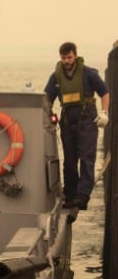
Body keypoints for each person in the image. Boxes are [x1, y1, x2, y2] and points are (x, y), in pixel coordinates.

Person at [44, 41, 111, 210]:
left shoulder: (88, 74)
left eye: (69, 57)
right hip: (67, 121)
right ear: (60, 57)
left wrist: (104, 112)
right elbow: (47, 99)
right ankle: (71, 194)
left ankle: (82, 196)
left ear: (75, 55)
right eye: (63, 58)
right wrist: (46, 115)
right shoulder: (56, 77)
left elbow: (104, 92)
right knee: (69, 161)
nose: (66, 61)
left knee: (87, 159)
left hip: (87, 119)